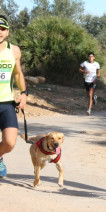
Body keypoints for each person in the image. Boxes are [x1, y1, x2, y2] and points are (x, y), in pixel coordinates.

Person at [0, 15, 27, 178]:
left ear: (8, 31)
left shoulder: (14, 50)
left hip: (7, 104)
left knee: (10, 143)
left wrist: (23, 94)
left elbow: (17, 74)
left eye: (2, 29)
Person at [79, 52, 101, 116]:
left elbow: (99, 72)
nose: (90, 57)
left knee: (90, 95)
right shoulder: (85, 63)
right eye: (89, 56)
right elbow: (79, 69)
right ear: (88, 57)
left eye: (92, 56)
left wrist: (97, 78)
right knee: (88, 95)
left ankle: (89, 110)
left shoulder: (96, 64)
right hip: (86, 81)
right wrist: (84, 71)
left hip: (93, 81)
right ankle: (94, 97)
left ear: (94, 57)